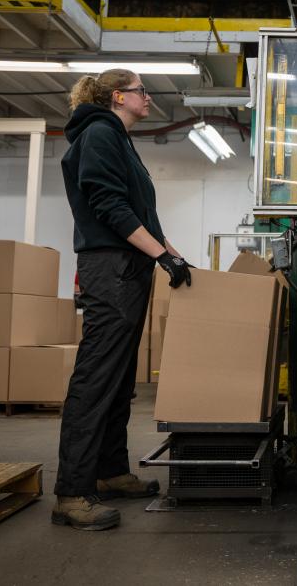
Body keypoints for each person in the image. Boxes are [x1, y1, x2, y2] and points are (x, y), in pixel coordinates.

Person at [54, 69, 192, 531]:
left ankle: (110, 472)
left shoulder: (118, 139)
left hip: (128, 267)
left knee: (119, 377)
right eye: (141, 91)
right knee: (96, 378)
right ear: (118, 96)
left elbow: (140, 214)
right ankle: (72, 493)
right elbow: (109, 207)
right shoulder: (98, 134)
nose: (148, 98)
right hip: (110, 267)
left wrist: (172, 255)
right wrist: (160, 255)